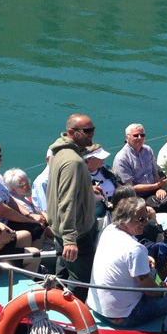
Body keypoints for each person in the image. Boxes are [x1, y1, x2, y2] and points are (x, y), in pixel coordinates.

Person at [87, 197, 167, 327]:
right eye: (141, 219)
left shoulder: (109, 230)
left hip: (97, 307)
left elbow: (121, 255)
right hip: (122, 315)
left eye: (147, 217)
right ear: (125, 220)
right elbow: (150, 291)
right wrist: (165, 289)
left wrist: (145, 258)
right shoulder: (135, 249)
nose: (146, 222)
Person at [47, 114, 100, 295]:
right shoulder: (74, 162)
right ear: (71, 132)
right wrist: (70, 239)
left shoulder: (59, 153)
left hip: (60, 229)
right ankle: (75, 317)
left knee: (61, 273)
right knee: (80, 281)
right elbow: (66, 200)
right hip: (76, 232)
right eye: (86, 131)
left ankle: (55, 306)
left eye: (92, 130)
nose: (91, 134)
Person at [0, 141, 46, 242]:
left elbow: (9, 198)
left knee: (40, 222)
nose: (1, 160)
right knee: (36, 228)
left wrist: (29, 214)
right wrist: (30, 220)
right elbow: (3, 211)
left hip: (8, 218)